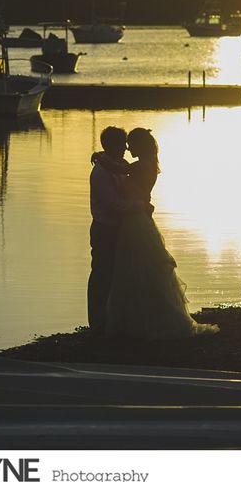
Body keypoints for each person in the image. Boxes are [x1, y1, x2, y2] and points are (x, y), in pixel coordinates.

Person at [97, 127, 219, 339]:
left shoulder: (142, 166)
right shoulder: (143, 165)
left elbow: (115, 168)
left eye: (131, 143)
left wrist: (98, 156)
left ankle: (150, 319)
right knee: (132, 270)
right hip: (133, 221)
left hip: (137, 223)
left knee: (142, 270)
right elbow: (120, 168)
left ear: (140, 146)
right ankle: (136, 318)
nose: (127, 147)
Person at [88, 126, 152, 336]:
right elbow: (113, 204)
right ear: (113, 145)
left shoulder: (124, 166)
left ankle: (114, 320)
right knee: (101, 274)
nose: (126, 148)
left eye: (127, 143)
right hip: (105, 229)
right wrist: (140, 206)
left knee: (120, 275)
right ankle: (97, 323)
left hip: (124, 230)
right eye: (122, 143)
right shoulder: (100, 172)